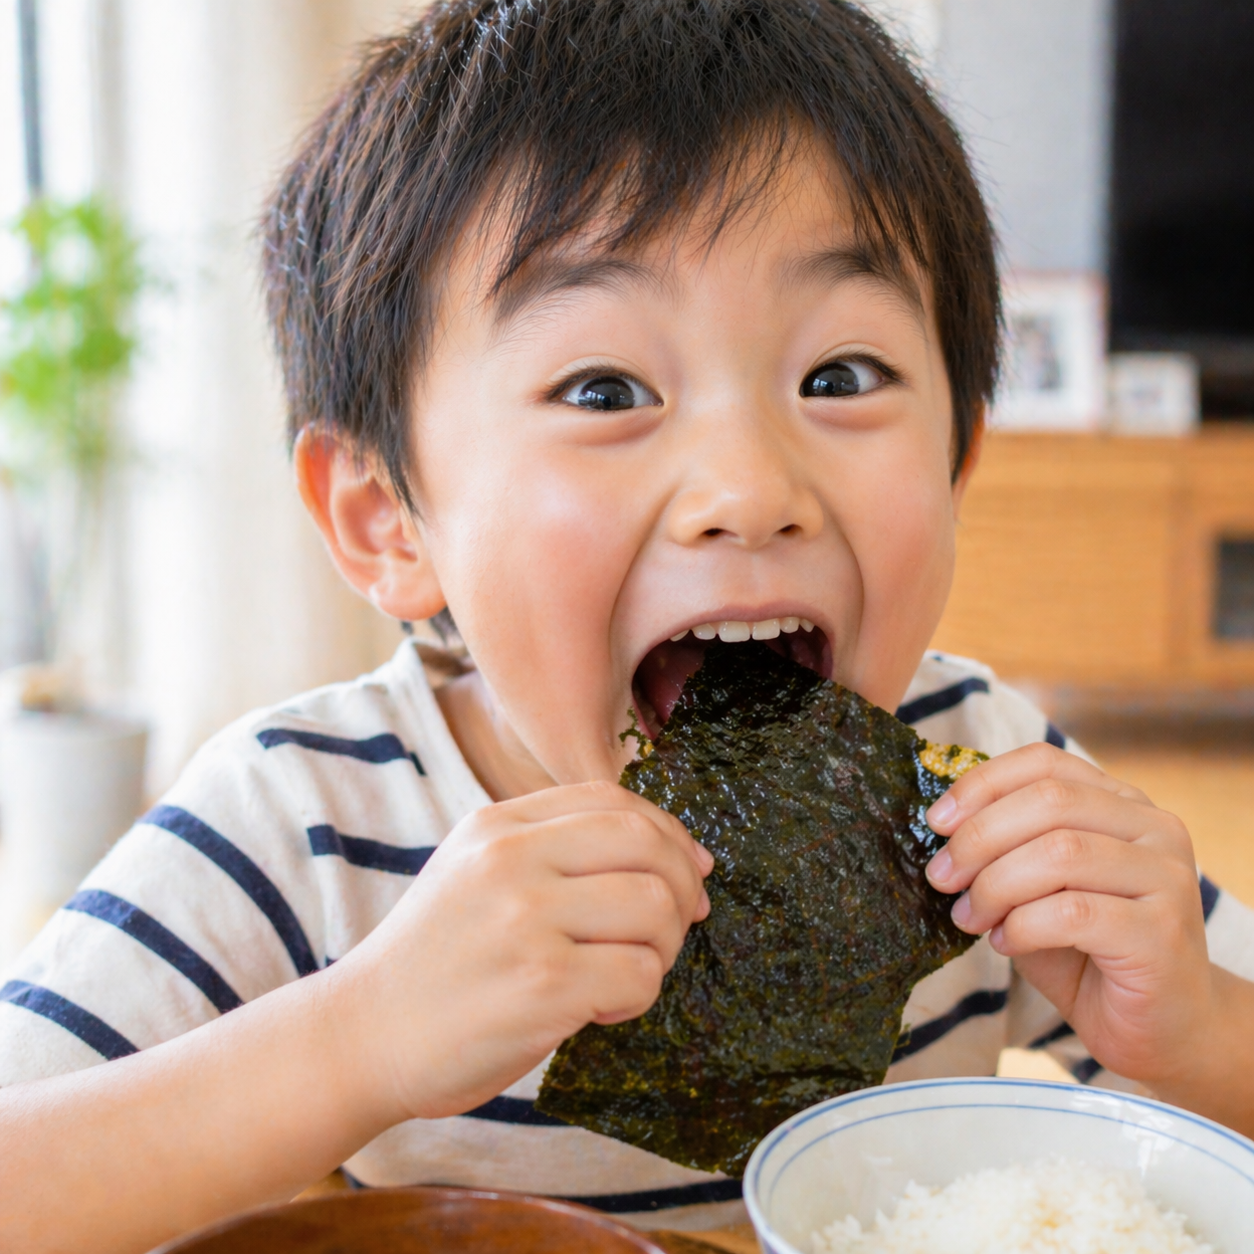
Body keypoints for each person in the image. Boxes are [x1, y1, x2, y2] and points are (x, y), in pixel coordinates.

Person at [3, 2, 1254, 1249]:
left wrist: (1190, 1024)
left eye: (840, 377)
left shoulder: (985, 779)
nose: (750, 492)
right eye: (605, 390)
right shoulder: (308, 824)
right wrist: (360, 1038)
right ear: (389, 517)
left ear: (955, 461)